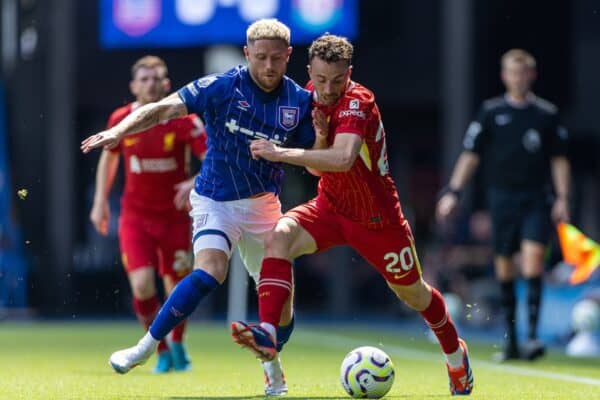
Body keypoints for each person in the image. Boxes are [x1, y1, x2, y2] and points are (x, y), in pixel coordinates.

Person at [81, 19, 318, 396]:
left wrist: (285, 153)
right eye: (260, 58)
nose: (269, 66)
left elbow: (315, 163)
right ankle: (145, 348)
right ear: (246, 54)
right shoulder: (221, 86)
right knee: (212, 268)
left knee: (282, 308)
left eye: (276, 58)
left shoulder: (300, 102)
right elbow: (162, 109)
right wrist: (117, 132)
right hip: (214, 199)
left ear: (289, 55)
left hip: (263, 206)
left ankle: (273, 367)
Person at [229, 34, 474, 396]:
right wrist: (318, 140)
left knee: (414, 295)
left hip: (377, 219)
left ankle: (456, 355)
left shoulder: (358, 101)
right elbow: (318, 170)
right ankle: (268, 332)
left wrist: (280, 153)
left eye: (338, 80)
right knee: (276, 239)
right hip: (330, 206)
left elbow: (343, 160)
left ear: (350, 74)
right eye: (322, 79)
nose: (329, 89)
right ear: (310, 70)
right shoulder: (309, 94)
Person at [436, 49, 571, 362]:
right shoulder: (491, 113)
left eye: (523, 73)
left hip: (536, 199)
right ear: (504, 76)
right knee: (505, 269)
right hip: (502, 200)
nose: (518, 78)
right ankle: (511, 343)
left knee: (533, 262)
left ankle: (534, 338)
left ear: (531, 76)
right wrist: (453, 191)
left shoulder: (546, 115)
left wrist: (562, 198)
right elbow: (471, 155)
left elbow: (559, 160)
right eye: (513, 73)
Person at [90, 55, 207, 373]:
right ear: (133, 86)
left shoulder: (184, 119)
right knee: (142, 285)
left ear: (167, 84)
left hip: (175, 219)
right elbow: (109, 158)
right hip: (136, 218)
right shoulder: (122, 118)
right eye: (144, 79)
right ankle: (162, 350)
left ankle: (179, 344)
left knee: (176, 287)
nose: (151, 84)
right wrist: (100, 201)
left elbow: (213, 160)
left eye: (157, 79)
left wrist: (194, 181)